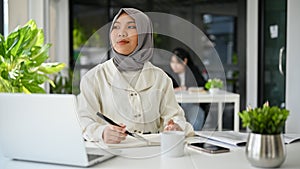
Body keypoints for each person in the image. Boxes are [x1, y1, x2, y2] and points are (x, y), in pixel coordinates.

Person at [77, 8, 194, 144]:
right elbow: (83, 120)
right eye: (116, 27)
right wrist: (101, 132)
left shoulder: (160, 78)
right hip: (112, 156)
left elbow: (175, 117)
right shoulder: (93, 78)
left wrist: (175, 127)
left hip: (153, 154)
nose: (121, 33)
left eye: (131, 26)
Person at [168, 47, 206, 130]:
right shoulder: (169, 73)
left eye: (177, 63)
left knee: (197, 119)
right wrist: (176, 89)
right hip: (176, 106)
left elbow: (202, 85)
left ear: (185, 61)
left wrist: (188, 88)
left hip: (192, 104)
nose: (174, 65)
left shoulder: (193, 71)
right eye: (172, 62)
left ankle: (195, 142)